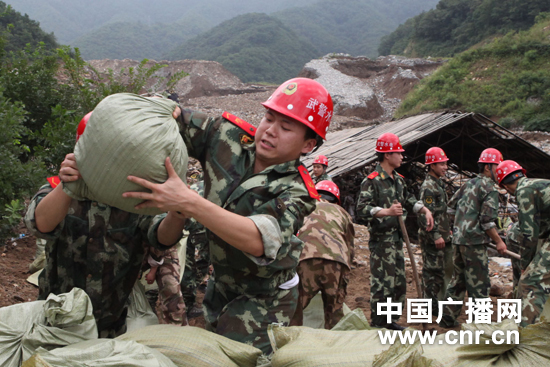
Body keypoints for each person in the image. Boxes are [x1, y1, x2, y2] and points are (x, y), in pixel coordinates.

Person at [122, 77, 332, 354]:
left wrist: (191, 202)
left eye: (285, 127)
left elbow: (259, 239)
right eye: (269, 119)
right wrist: (157, 107)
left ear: (307, 145)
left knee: (242, 359)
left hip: (265, 298)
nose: (269, 131)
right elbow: (174, 117)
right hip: (220, 286)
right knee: (216, 353)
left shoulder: (297, 191)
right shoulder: (226, 136)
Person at [23, 112, 186, 338]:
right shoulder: (59, 189)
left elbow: (161, 237)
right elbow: (39, 225)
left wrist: (179, 210)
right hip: (56, 321)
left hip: (110, 326)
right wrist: (68, 186)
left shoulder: (134, 197)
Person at [355, 132, 434, 330]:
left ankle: (391, 320)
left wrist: (423, 209)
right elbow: (361, 210)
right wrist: (385, 212)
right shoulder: (371, 181)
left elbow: (408, 199)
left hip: (397, 239)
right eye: (398, 152)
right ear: (387, 155)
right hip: (382, 241)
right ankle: (379, 323)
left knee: (398, 283)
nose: (402, 156)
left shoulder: (397, 179)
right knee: (383, 284)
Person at [438, 148, 507, 328]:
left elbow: (450, 209)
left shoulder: (468, 184)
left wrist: (462, 225)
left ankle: (447, 319)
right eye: (497, 166)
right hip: (475, 243)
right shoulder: (490, 189)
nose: (500, 171)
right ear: (487, 168)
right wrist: (499, 242)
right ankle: (481, 324)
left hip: (459, 240)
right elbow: (487, 222)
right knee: (479, 284)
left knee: (458, 281)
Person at [290, 180, 355, 329]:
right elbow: (350, 247)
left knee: (296, 308)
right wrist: (346, 272)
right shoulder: (342, 213)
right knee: (334, 313)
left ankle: (290, 344)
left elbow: (291, 237)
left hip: (306, 259)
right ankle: (331, 347)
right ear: (336, 200)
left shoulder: (304, 209)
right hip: (336, 261)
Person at [496, 159, 550, 326]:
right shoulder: (540, 184)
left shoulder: (524, 191)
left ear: (505, 186)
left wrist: (525, 264)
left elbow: (528, 234)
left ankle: (526, 335)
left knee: (530, 282)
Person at [417, 147, 454, 316]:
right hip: (433, 238)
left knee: (443, 271)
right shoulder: (429, 187)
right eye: (442, 164)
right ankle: (430, 307)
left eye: (446, 163)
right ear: (432, 166)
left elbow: (441, 213)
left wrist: (447, 232)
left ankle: (439, 304)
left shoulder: (438, 184)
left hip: (444, 236)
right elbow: (426, 215)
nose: (445, 167)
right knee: (432, 273)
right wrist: (436, 235)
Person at [180, 178, 210, 318]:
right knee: (194, 269)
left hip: (190, 233)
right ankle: (187, 304)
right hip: (198, 234)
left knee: (188, 267)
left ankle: (187, 303)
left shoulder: (196, 186)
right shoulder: (211, 188)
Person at [144, 244, 187, 325]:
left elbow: (158, 242)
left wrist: (153, 269)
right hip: (135, 251)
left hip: (163, 250)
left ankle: (178, 327)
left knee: (171, 289)